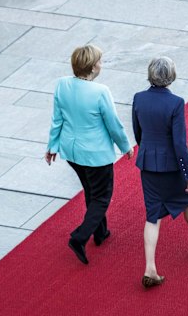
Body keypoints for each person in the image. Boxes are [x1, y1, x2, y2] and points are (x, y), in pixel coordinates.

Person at [132, 56, 188, 288]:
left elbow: (138, 134)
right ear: (171, 76)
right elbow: (180, 144)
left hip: (148, 166)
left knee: (152, 216)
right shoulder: (176, 103)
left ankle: (150, 267)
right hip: (171, 167)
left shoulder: (138, 98)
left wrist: (149, 152)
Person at [45, 44, 133, 265]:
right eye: (100, 61)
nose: (101, 64)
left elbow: (57, 119)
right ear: (93, 67)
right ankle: (80, 236)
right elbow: (113, 124)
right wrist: (125, 146)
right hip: (95, 155)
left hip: (71, 152)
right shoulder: (100, 91)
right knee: (102, 197)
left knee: (91, 191)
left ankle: (100, 232)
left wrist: (52, 146)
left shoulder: (62, 85)